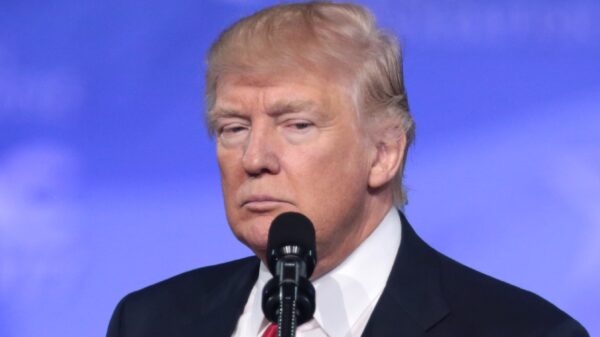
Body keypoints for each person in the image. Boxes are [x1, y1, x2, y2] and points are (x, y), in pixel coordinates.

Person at [107, 2, 588, 336]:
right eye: (233, 128)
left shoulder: (523, 331)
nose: (254, 159)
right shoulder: (150, 321)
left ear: (383, 153)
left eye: (296, 124)